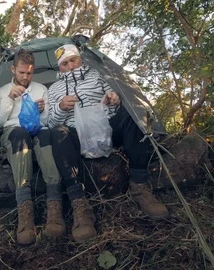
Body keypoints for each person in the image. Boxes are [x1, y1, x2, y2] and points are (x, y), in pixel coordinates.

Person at [47, 44, 169, 225]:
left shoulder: (97, 76)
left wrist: (114, 100)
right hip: (77, 135)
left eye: (73, 60)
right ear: (59, 67)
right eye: (65, 63)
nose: (71, 66)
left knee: (132, 111)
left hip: (106, 129)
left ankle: (139, 185)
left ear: (81, 59)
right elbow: (50, 122)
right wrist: (61, 107)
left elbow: (114, 98)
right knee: (58, 133)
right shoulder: (54, 89)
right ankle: (79, 202)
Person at [0, 50, 65, 245]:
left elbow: (48, 121)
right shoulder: (1, 92)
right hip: (13, 131)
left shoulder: (40, 89)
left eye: (29, 73)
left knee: (46, 136)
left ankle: (54, 209)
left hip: (38, 129)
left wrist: (43, 110)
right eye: (21, 72)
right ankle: (25, 215)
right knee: (20, 135)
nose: (25, 77)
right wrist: (9, 99)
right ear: (13, 69)